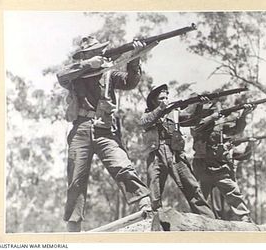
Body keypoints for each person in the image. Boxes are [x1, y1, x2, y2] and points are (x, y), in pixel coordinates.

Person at [57, 36, 151, 232]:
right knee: (75, 178)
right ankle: (74, 226)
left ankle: (144, 204)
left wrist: (135, 58)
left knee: (122, 165)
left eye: (101, 50)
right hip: (80, 128)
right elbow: (61, 75)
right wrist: (87, 65)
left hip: (104, 128)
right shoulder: (75, 75)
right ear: (86, 55)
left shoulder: (108, 73)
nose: (100, 53)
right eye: (95, 51)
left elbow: (129, 82)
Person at [140, 84, 215, 217]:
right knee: (153, 188)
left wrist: (199, 105)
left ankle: (209, 219)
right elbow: (145, 123)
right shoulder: (147, 114)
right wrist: (161, 108)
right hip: (156, 155)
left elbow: (192, 120)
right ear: (153, 101)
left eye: (167, 97)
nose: (166, 99)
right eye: (162, 98)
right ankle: (153, 219)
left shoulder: (174, 113)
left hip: (175, 153)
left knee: (192, 187)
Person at [190, 101, 256, 222]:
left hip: (218, 166)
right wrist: (211, 117)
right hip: (202, 167)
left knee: (232, 190)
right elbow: (195, 129)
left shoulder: (219, 125)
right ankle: (196, 219)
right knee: (198, 195)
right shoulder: (198, 123)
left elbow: (236, 130)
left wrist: (244, 115)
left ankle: (244, 217)